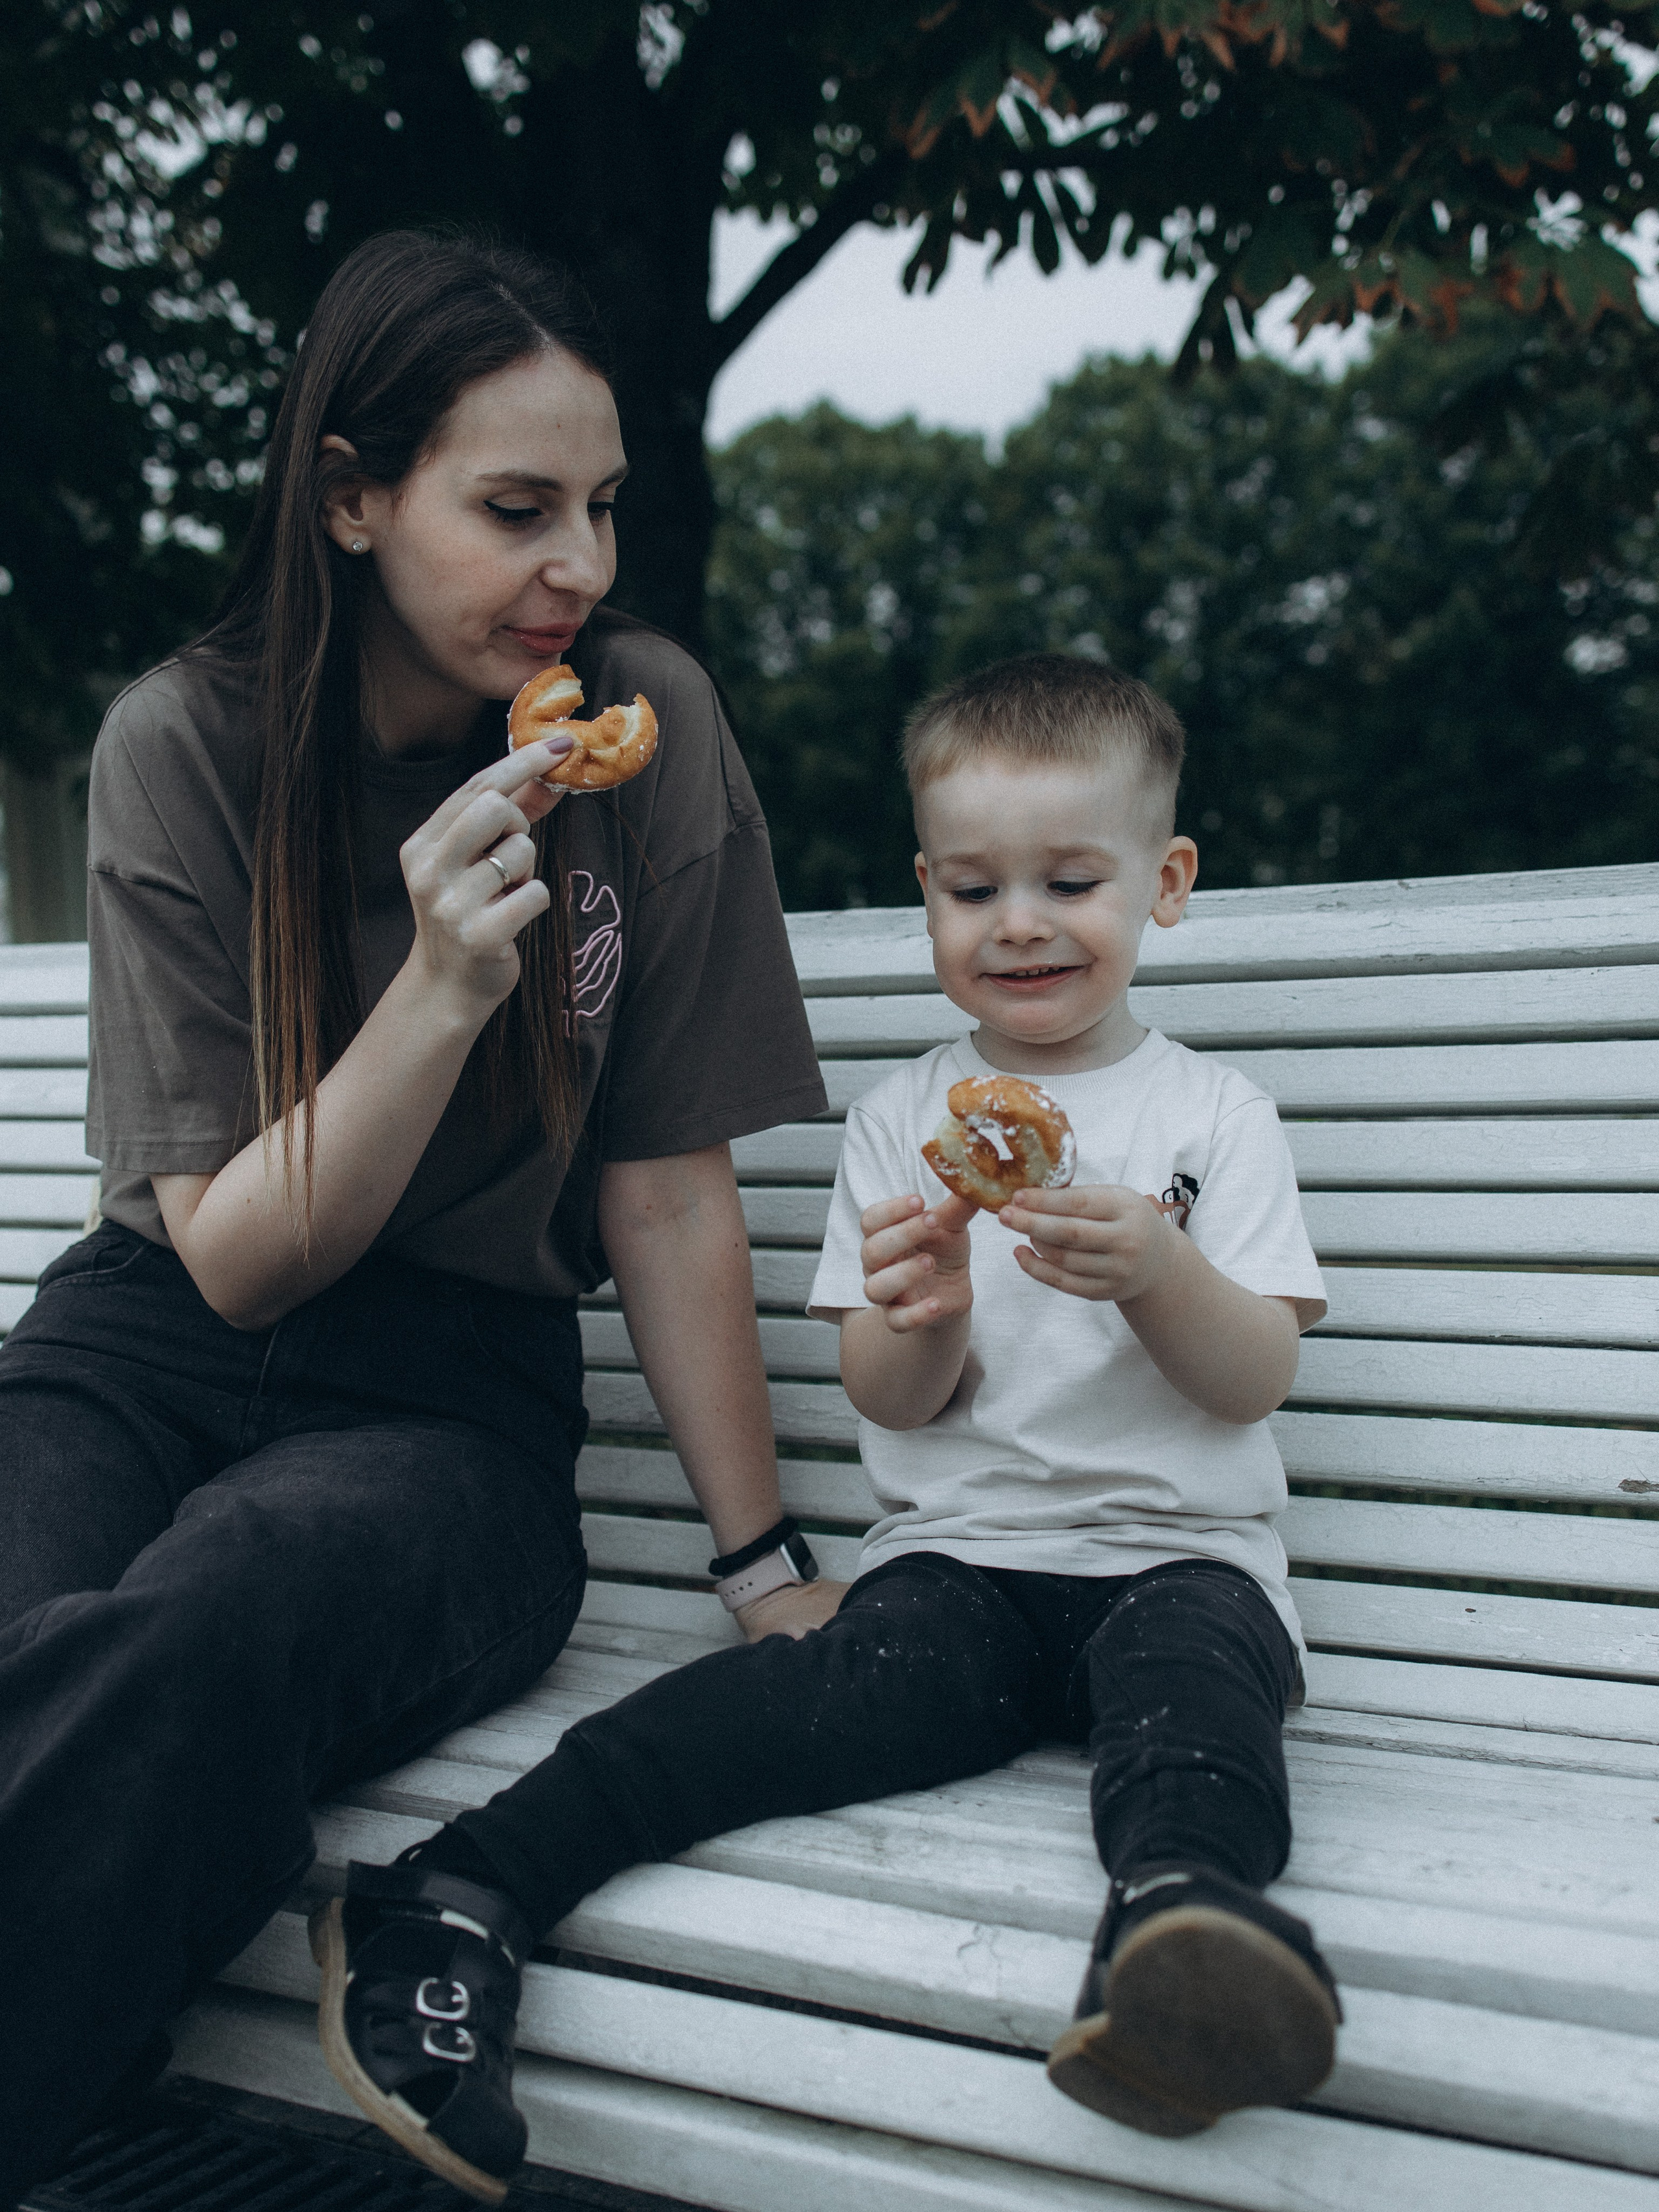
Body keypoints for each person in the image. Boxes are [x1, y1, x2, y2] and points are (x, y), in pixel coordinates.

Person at [0, 227, 838, 2206]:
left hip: (446, 1411)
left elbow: (665, 1182)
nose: (582, 566)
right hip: (153, 1339)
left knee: (201, 1627)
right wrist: (443, 985)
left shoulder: (643, 731)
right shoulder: (186, 745)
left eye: (604, 506)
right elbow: (228, 1254)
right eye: (517, 509)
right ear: (350, 498)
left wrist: (764, 1562)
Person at [323, 651, 1341, 2200]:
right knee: (780, 1705)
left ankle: (1178, 1933)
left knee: (1196, 1712)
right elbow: (889, 1399)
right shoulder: (904, 1123)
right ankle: (464, 1887)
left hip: (1181, 1561)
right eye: (973, 889)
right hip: (959, 1570)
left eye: (1069, 882)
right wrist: (922, 1315)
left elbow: (1250, 1375)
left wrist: (1159, 1273)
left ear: (1166, 883)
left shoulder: (1215, 1116)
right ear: (926, 894)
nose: (1017, 924)